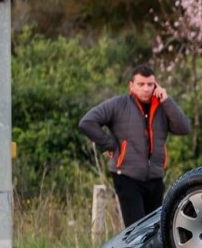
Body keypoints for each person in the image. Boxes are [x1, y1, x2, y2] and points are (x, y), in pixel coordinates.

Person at [79, 65, 192, 226]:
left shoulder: (162, 107)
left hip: (155, 177)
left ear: (156, 85)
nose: (146, 89)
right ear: (131, 85)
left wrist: (167, 100)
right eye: (141, 84)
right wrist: (110, 144)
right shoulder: (118, 105)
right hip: (127, 176)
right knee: (136, 229)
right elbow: (87, 122)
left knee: (154, 229)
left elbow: (184, 128)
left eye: (150, 84)